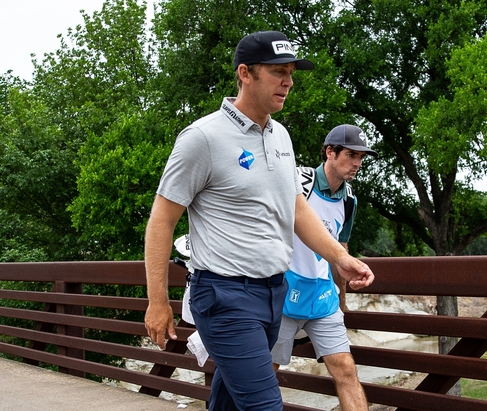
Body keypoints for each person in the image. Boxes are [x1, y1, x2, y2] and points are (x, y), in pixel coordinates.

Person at [144, 30, 375, 411]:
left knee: (231, 402)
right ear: (245, 74)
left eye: (291, 73)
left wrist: (339, 257)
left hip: (273, 294)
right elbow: (161, 220)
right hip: (224, 295)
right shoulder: (202, 137)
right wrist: (157, 301)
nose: (288, 82)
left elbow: (297, 209)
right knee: (264, 405)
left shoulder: (281, 136)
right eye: (278, 72)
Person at [271, 124, 377, 411]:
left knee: (345, 370)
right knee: (268, 372)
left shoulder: (350, 199)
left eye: (361, 158)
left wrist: (342, 302)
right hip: (283, 293)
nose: (357, 163)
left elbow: (340, 251)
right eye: (352, 155)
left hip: (322, 298)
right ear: (330, 152)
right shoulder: (298, 182)